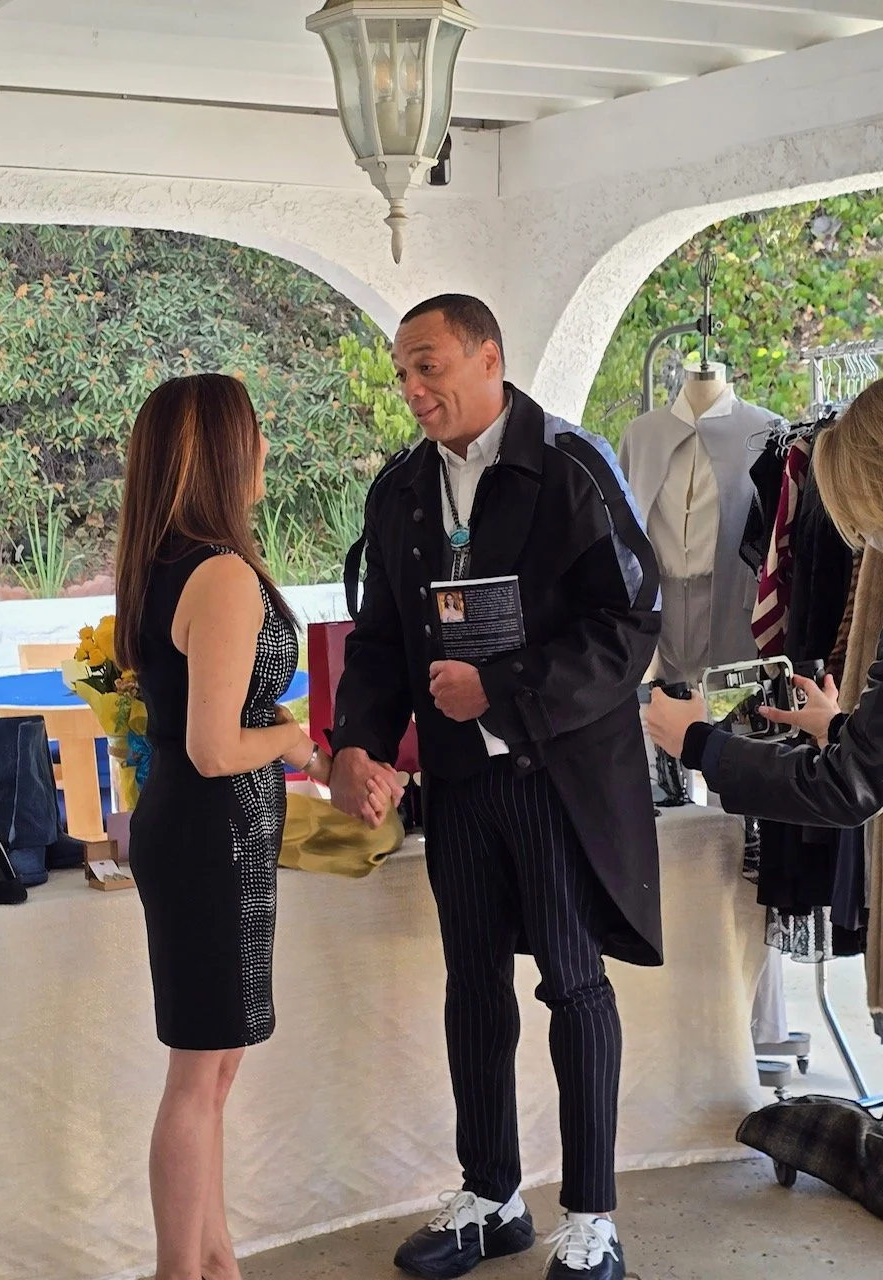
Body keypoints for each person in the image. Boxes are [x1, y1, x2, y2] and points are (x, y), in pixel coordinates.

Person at [328, 295, 663, 1280]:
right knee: (473, 984)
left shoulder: (571, 467)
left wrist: (505, 687)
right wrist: (356, 744)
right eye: (402, 371)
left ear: (489, 358)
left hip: (554, 773)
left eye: (427, 365)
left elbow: (630, 625)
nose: (412, 387)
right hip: (459, 782)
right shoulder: (401, 491)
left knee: (573, 982)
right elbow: (379, 641)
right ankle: (492, 1197)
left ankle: (592, 1217)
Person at [115, 374, 385, 1280]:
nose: (266, 446)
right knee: (200, 1078)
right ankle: (181, 1271)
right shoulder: (220, 573)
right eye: (255, 432)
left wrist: (302, 752)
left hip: (205, 834)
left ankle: (215, 1260)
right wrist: (297, 742)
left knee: (214, 1071)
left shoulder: (168, 563)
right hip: (209, 837)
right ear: (225, 452)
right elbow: (214, 746)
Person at [647, 378, 883, 828]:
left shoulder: (763, 430)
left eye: (869, 522)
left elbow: (846, 785)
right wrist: (838, 728)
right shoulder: (642, 439)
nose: (869, 541)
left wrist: (699, 743)